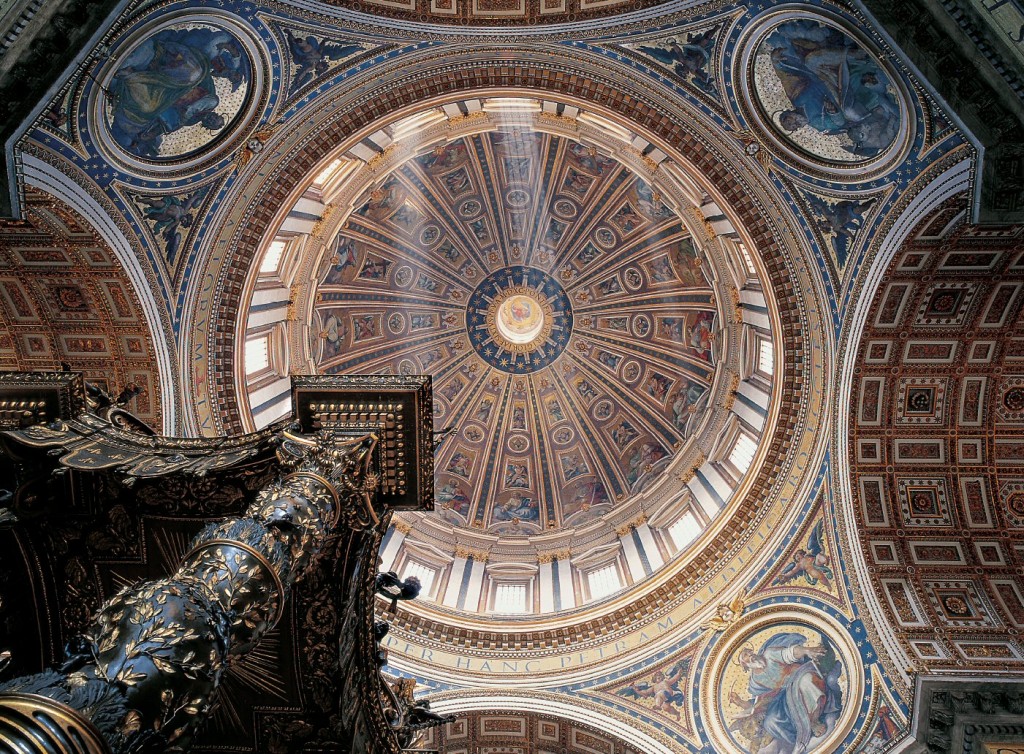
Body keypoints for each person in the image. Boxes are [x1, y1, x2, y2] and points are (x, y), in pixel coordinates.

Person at [728, 633, 844, 754]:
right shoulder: (754, 681)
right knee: (771, 722)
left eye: (748, 652)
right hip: (782, 697)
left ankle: (813, 721)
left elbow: (790, 653)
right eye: (745, 656)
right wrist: (739, 702)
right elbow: (757, 703)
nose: (749, 655)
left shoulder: (769, 654)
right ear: (744, 665)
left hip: (799, 675)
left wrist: (806, 650)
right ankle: (799, 738)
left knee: (805, 683)